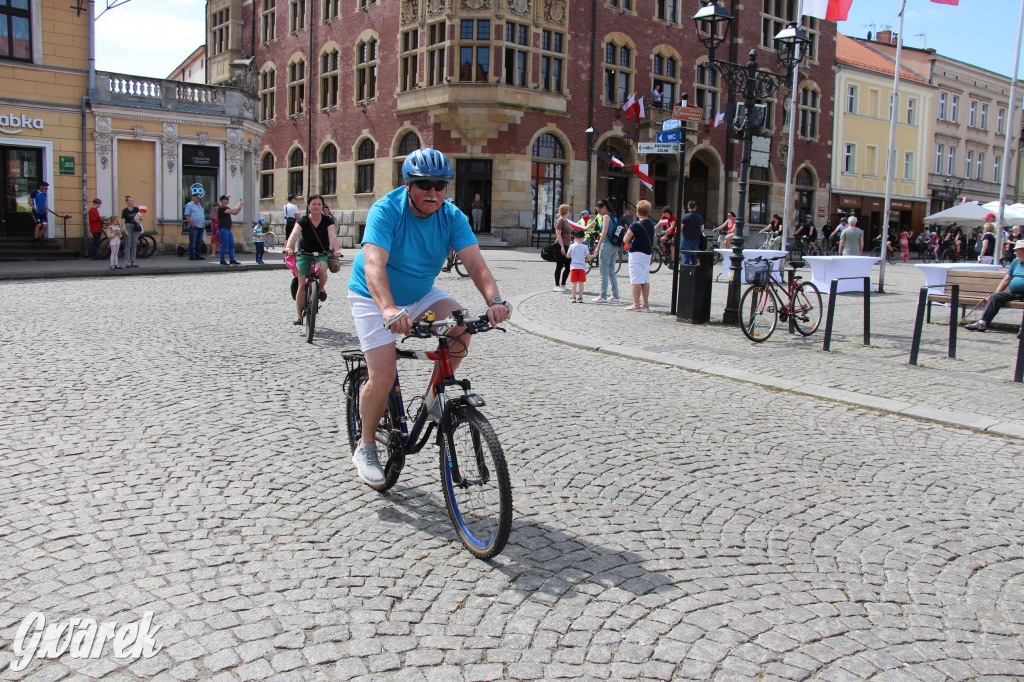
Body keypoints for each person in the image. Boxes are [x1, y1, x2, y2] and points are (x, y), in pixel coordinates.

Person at [346, 148, 510, 486]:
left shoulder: (451, 216)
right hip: (373, 296)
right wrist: (389, 309)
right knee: (384, 371)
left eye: (440, 185)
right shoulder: (386, 211)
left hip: (421, 292)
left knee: (461, 327)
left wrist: (494, 300)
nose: (433, 192)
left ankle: (432, 399)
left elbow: (476, 264)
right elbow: (374, 264)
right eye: (425, 185)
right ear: (408, 184)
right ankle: (365, 446)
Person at [285, 195, 341, 325]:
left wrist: (336, 250)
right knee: (301, 282)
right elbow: (294, 234)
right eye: (313, 204)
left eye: (319, 204)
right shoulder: (303, 220)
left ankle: (321, 288)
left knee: (322, 270)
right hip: (304, 253)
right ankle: (299, 315)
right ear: (309, 206)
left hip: (322, 252)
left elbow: (332, 236)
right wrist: (289, 247)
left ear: (322, 206)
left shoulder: (327, 220)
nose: (316, 207)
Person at [965, 239, 1024, 334]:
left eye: (1016, 250)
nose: (1015, 252)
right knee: (994, 296)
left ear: (1022, 250)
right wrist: (996, 292)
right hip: (1014, 292)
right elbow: (1006, 280)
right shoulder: (1015, 262)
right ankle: (982, 323)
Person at [622, 199, 656, 311]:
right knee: (645, 279)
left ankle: (636, 303)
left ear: (638, 211)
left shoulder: (635, 225)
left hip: (636, 253)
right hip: (647, 253)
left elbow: (626, 239)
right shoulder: (651, 224)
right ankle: (645, 303)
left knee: (636, 279)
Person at [591, 199, 620, 303]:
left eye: (599, 211)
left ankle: (602, 295)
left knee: (603, 272)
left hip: (606, 245)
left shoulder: (606, 217)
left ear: (604, 207)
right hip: (614, 245)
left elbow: (604, 233)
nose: (599, 214)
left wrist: (598, 247)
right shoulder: (614, 216)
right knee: (611, 271)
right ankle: (615, 295)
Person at [216, 195, 243, 265]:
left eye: (228, 199)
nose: (228, 200)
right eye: (226, 199)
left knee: (231, 245)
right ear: (222, 200)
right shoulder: (221, 208)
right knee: (224, 245)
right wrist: (238, 206)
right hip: (223, 229)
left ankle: (232, 259)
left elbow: (235, 213)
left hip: (228, 229)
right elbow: (231, 211)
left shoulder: (227, 208)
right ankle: (222, 260)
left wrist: (239, 208)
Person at [552, 203, 573, 292]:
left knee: (568, 266)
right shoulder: (560, 221)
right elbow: (558, 235)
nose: (570, 212)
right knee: (559, 266)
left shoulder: (566, 220)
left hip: (567, 245)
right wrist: (562, 247)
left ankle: (563, 284)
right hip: (561, 245)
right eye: (569, 210)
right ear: (566, 211)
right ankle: (557, 285)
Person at [566, 228, 589, 303]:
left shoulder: (571, 246)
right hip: (582, 267)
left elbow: (568, 256)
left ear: (575, 238)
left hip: (573, 267)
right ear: (583, 238)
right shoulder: (584, 247)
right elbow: (588, 257)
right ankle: (580, 297)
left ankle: (573, 297)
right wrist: (594, 255)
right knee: (581, 283)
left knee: (574, 283)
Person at [679, 200, 704, 265]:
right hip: (696, 239)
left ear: (688, 207)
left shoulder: (685, 216)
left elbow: (680, 228)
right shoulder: (699, 217)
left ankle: (685, 273)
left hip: (687, 239)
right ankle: (693, 273)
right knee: (694, 258)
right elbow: (702, 228)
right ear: (696, 207)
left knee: (686, 257)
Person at [121, 195, 142, 268]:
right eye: (130, 201)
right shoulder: (125, 211)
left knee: (134, 245)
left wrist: (139, 219)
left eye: (133, 201)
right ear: (127, 202)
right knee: (128, 245)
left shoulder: (136, 209)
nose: (132, 202)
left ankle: (134, 261)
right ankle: (127, 262)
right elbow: (123, 221)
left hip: (135, 227)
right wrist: (124, 230)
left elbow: (141, 218)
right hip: (128, 226)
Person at [184, 192, 206, 260]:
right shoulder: (189, 205)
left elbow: (202, 214)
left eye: (198, 198)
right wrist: (191, 223)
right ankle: (191, 256)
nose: (198, 199)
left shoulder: (199, 205)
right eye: (196, 198)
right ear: (193, 198)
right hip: (194, 226)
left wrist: (203, 223)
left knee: (199, 242)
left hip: (200, 226)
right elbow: (186, 215)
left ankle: (197, 255)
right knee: (192, 241)